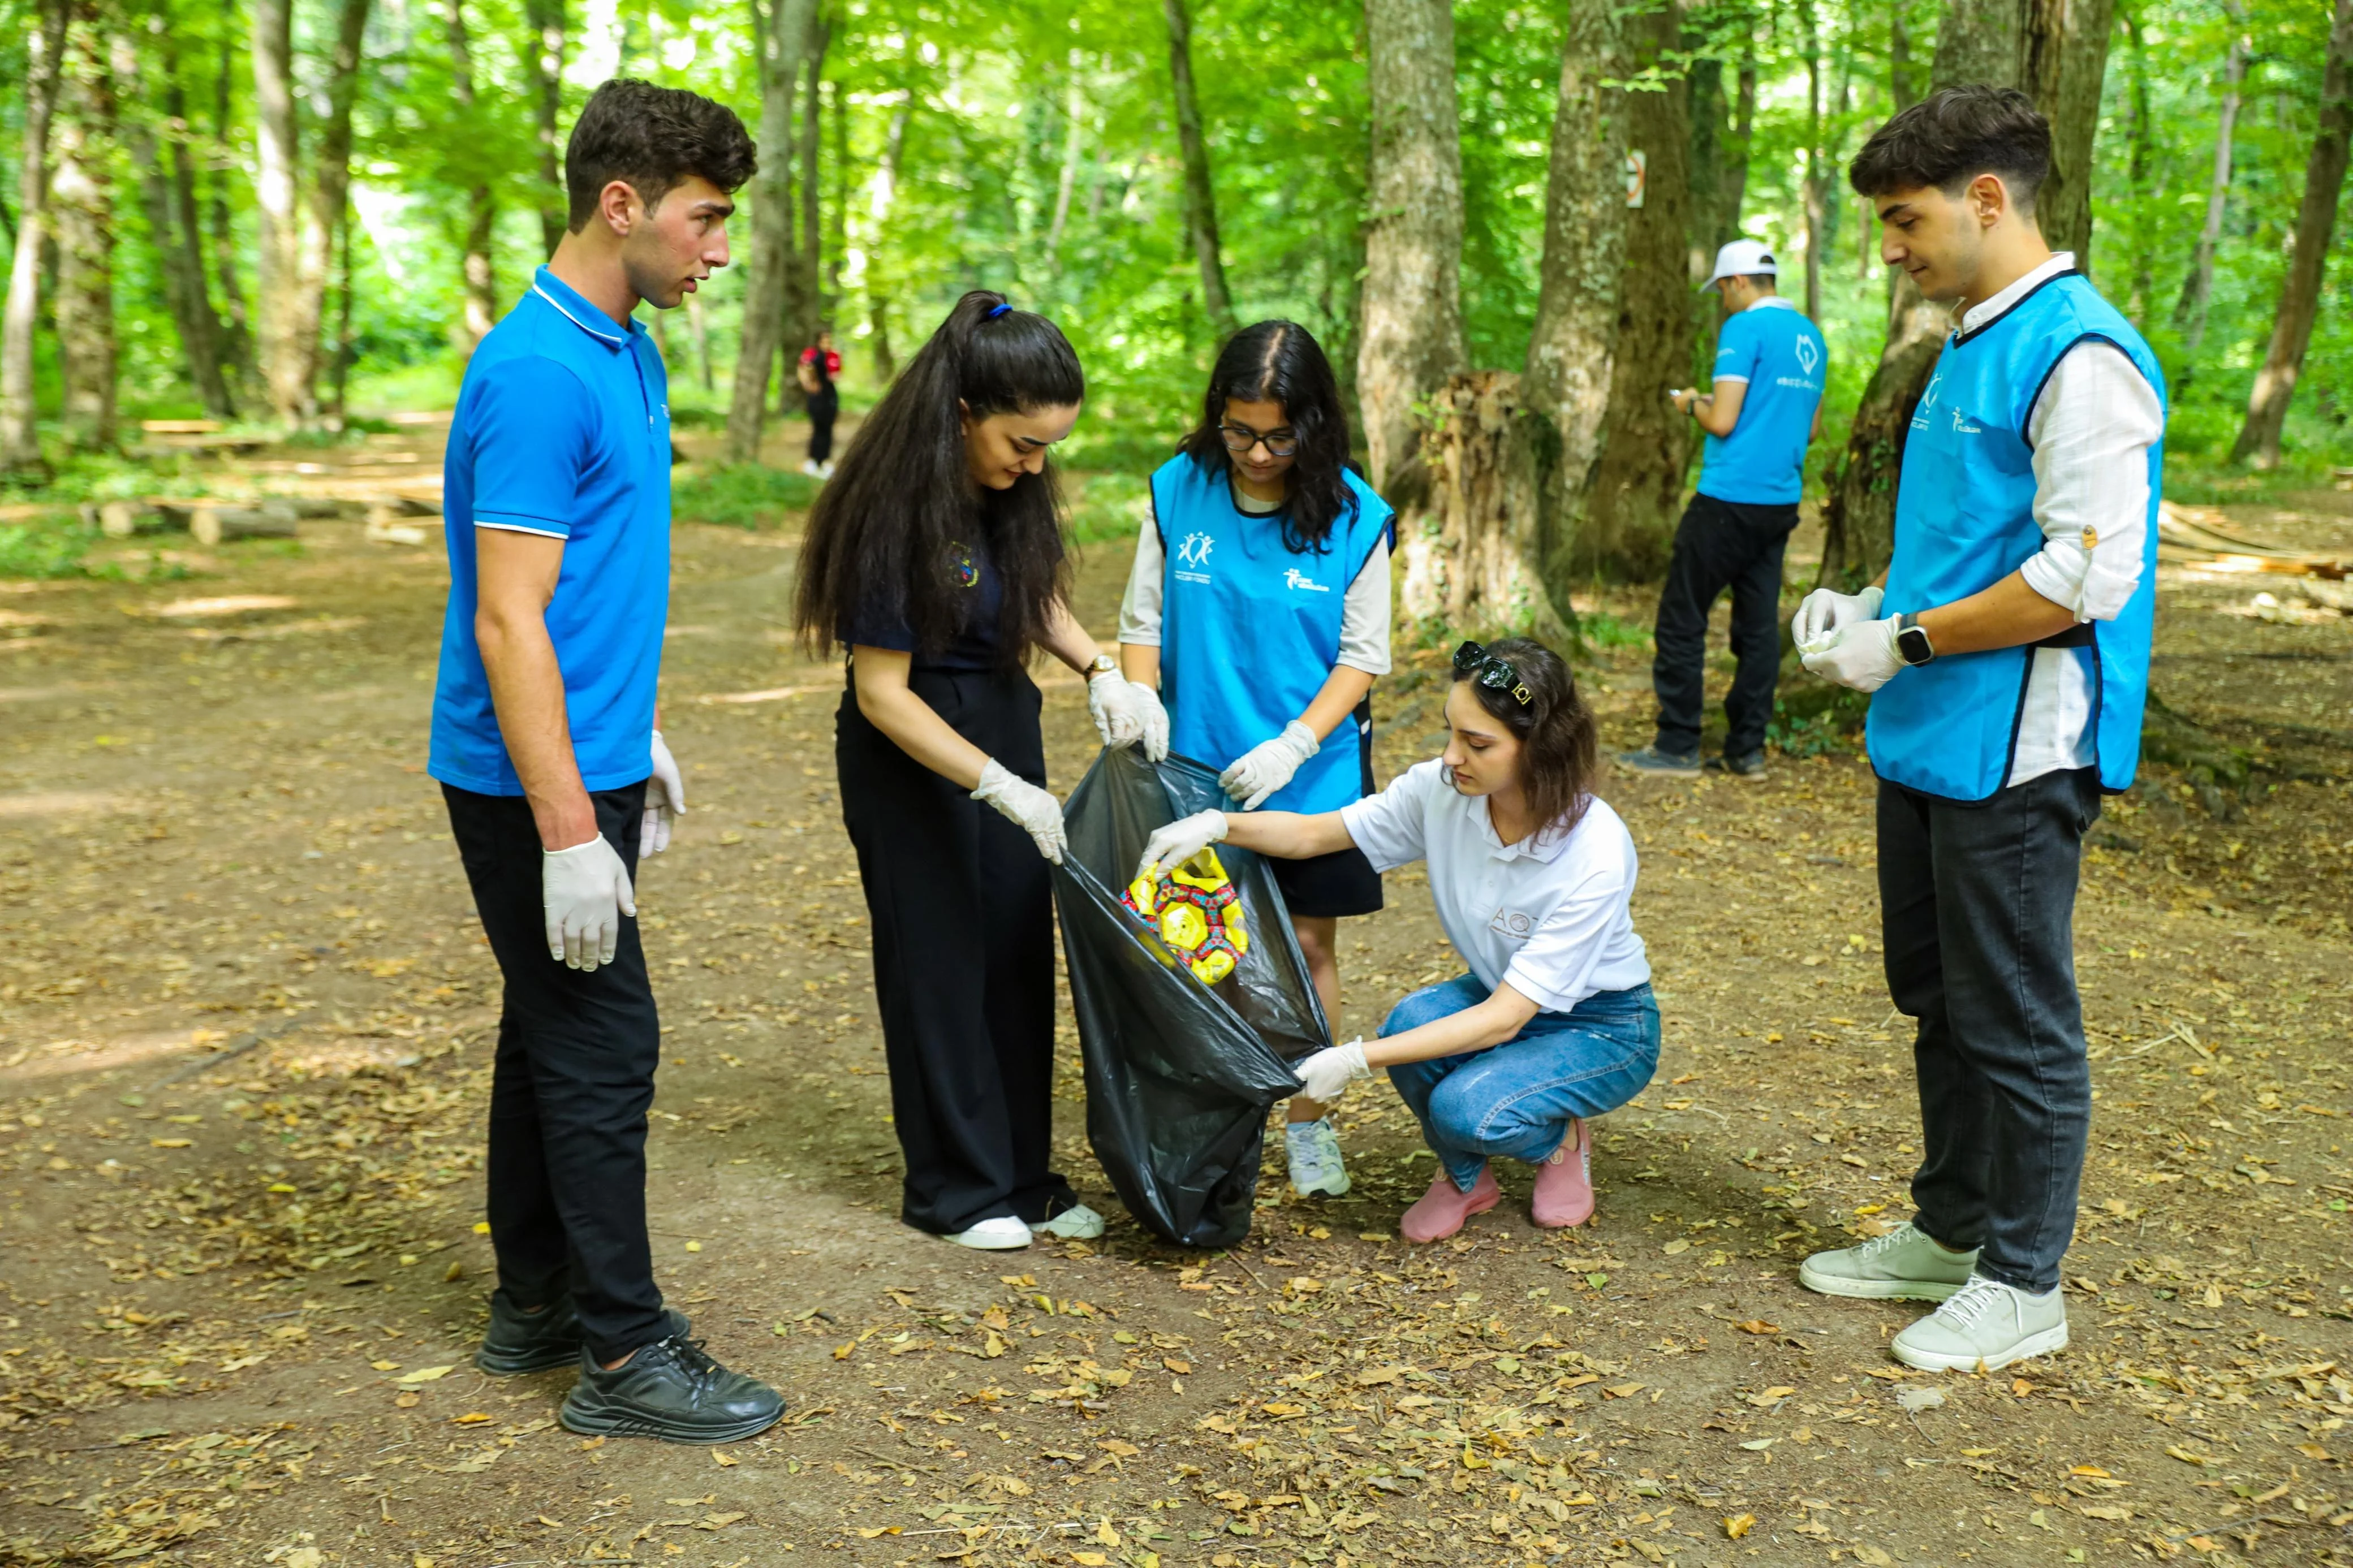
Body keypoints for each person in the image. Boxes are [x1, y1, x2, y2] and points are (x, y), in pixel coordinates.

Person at [427, 79, 783, 1442]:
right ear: (621, 205)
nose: (719, 248)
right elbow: (506, 615)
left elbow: (584, 597)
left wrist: (634, 733)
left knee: (548, 1027)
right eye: (705, 219)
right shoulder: (534, 371)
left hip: (587, 753)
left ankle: (538, 1305)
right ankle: (627, 1358)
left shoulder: (626, 346)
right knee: (602, 1040)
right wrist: (571, 825)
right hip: (528, 781)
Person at [1791, 87, 2166, 1372]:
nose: (1887, 247)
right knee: (1936, 995)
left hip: (2021, 742)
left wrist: (1897, 641)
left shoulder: (2081, 353)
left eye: (1902, 220)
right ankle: (1950, 1232)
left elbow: (2083, 577)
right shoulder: (1970, 338)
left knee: (2013, 1014)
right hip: (1929, 728)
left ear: (1988, 200)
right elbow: (1972, 543)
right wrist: (1873, 606)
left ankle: (2024, 1279)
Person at [792, 290, 1147, 1252]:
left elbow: (1033, 598)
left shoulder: (1009, 490)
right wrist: (991, 783)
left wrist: (1100, 667)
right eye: (1021, 443)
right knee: (941, 963)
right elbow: (882, 693)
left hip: (1002, 723)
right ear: (962, 414)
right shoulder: (894, 507)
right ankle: (955, 1188)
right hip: (917, 753)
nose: (1034, 463)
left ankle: (1025, 1177)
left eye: (1047, 447)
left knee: (1015, 954)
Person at [1134, 638, 1657, 1244]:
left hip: (1602, 1024)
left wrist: (1352, 1059)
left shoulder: (1592, 850)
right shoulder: (1445, 790)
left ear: (1541, 749)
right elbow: (1317, 835)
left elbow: (1503, 1021)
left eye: (1476, 743)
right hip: (1500, 992)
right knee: (1409, 1024)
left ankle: (1558, 1140)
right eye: (1450, 732)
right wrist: (1219, 825)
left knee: (1464, 1108)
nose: (1450, 755)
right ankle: (1466, 1177)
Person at [1115, 321, 1395, 1202]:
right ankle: (1218, 1120)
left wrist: (1297, 742)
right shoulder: (1178, 490)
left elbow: (1365, 655)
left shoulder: (1356, 515)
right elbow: (1141, 622)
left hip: (1307, 777)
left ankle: (1308, 1125)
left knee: (1309, 947)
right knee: (1201, 947)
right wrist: (1139, 697)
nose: (1259, 452)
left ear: (1314, 425)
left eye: (1279, 435)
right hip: (1192, 764)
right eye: (1240, 432)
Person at [1619, 239, 1826, 781]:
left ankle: (1677, 744)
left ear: (1736, 282)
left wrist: (1691, 403)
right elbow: (1812, 428)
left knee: (1682, 617)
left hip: (1728, 498)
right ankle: (1746, 749)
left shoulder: (1744, 330)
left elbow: (1724, 421)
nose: (1724, 302)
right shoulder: (1812, 336)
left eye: (1723, 291)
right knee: (1757, 629)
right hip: (1780, 501)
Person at [798, 329, 841, 479]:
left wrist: (833, 376)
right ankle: (813, 459)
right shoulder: (811, 354)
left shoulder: (834, 355)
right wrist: (809, 384)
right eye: (824, 341)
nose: (826, 344)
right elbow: (803, 369)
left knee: (828, 428)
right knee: (817, 427)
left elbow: (837, 374)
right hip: (817, 396)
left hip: (829, 395)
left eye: (828, 341)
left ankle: (825, 460)